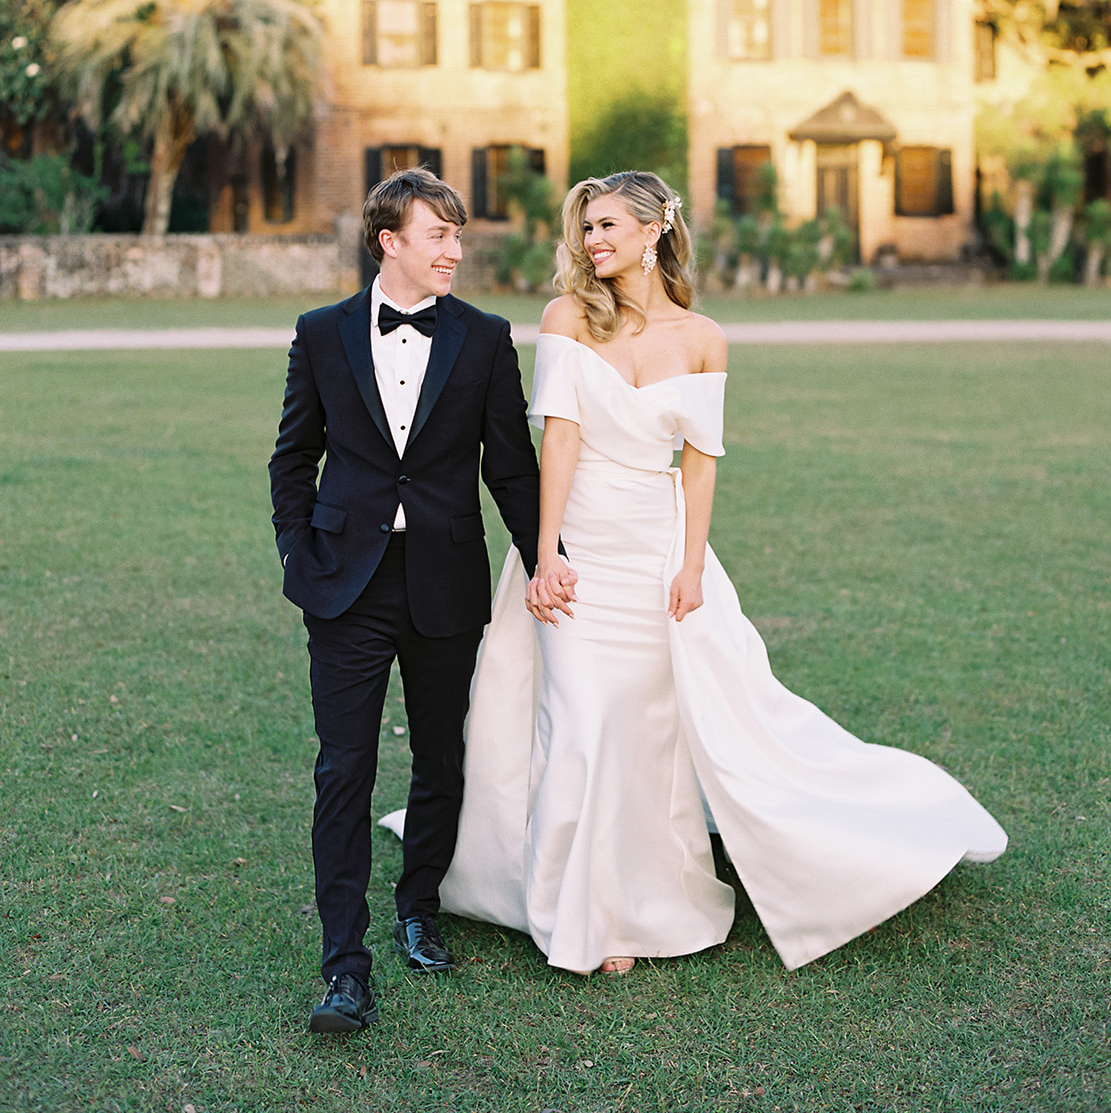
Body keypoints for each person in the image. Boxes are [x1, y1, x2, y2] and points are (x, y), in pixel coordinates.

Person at [384, 170, 1006, 976]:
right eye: (586, 229)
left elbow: (700, 465)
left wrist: (690, 569)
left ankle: (642, 898)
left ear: (654, 230)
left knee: (647, 731)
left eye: (607, 225)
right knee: (582, 719)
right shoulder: (565, 316)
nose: (592, 241)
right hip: (572, 550)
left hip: (657, 550)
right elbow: (558, 444)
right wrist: (544, 559)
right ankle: (577, 911)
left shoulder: (704, 336)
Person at [269, 168, 545, 1031]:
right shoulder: (320, 334)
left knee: (440, 760)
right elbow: (292, 456)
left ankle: (417, 908)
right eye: (439, 236)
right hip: (343, 585)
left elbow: (509, 467)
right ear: (389, 241)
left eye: (458, 236)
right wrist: (294, 553)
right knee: (342, 769)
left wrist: (548, 561)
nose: (455, 251)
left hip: (444, 581)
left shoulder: (486, 338)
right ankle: (343, 965)